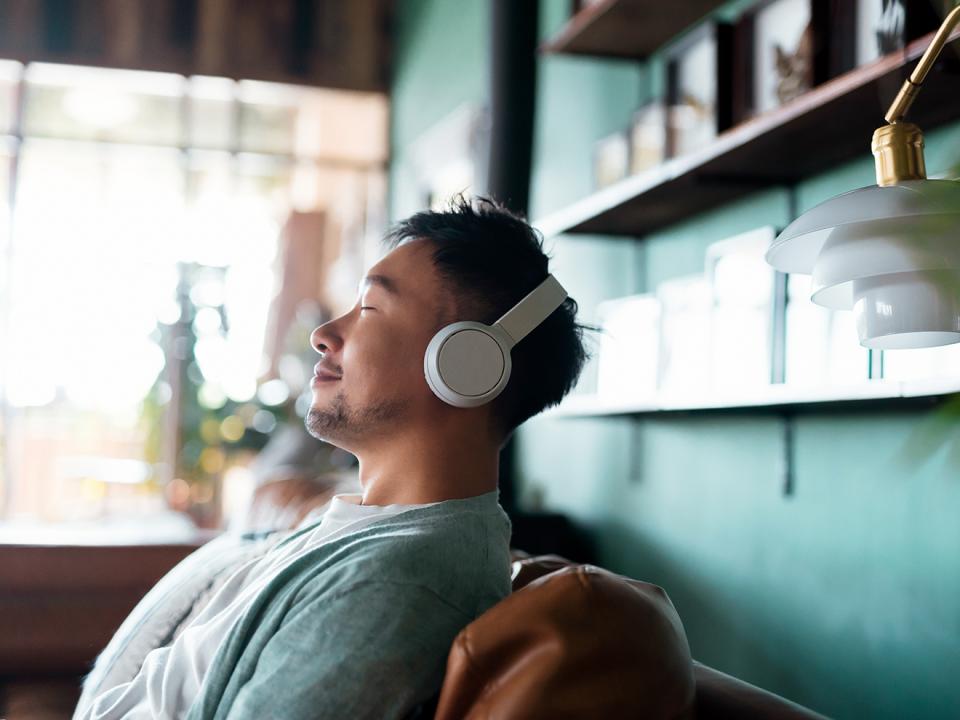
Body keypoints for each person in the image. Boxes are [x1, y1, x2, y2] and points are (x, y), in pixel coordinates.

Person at [77, 196, 589, 719]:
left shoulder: (399, 581)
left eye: (368, 308)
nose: (323, 336)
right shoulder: (359, 525)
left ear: (466, 364)